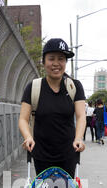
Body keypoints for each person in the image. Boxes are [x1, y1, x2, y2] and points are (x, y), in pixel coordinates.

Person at [19, 38, 86, 178]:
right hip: (41, 154)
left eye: (61, 59)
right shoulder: (33, 87)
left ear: (65, 62)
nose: (56, 63)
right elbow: (23, 119)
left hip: (68, 153)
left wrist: (79, 138)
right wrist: (28, 137)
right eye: (51, 59)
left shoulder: (75, 86)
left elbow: (81, 116)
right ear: (43, 62)